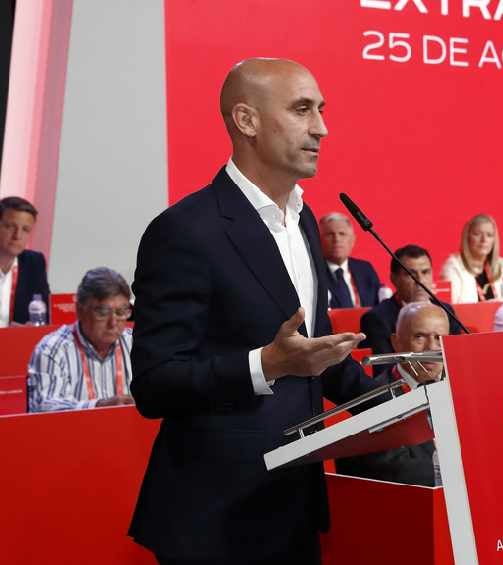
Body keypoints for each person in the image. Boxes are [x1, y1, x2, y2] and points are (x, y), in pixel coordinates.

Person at [128, 58, 383, 564]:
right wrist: (264, 365)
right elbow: (155, 384)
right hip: (216, 521)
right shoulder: (184, 231)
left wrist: (407, 394)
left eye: (321, 110)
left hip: (295, 506)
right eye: (302, 110)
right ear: (246, 120)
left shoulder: (303, 220)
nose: (322, 128)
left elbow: (312, 355)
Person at [337, 302, 447, 486]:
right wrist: (460, 470)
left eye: (439, 338)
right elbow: (395, 471)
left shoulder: (461, 389)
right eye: (419, 337)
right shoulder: (375, 398)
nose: (431, 348)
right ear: (396, 342)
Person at [27, 268, 135, 412]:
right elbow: (44, 408)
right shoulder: (52, 349)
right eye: (102, 312)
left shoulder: (134, 344)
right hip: (72, 427)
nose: (113, 323)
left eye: (121, 312)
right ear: (79, 310)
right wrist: (99, 407)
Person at [359, 244, 461, 354]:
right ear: (394, 279)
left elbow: (457, 355)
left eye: (425, 272)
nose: (420, 281)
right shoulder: (376, 319)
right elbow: (384, 363)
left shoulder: (446, 311)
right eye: (410, 274)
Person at [0, 196, 50, 327]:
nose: (17, 236)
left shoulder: (34, 263)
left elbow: (46, 315)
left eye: (25, 230)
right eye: (10, 227)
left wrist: (33, 327)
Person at [441, 213, 503, 303]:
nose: (484, 240)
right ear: (467, 237)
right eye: (477, 234)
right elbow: (450, 307)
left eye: (489, 235)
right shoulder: (453, 266)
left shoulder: (501, 265)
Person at [318, 212, 381, 308]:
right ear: (318, 240)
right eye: (330, 234)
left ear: (352, 240)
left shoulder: (365, 269)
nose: (337, 239)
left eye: (342, 234)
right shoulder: (314, 272)